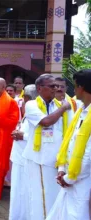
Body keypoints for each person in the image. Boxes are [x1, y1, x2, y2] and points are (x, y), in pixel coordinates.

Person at [22, 74, 72, 220]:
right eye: (51, 86)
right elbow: (46, 121)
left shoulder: (59, 105)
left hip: (57, 160)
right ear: (39, 88)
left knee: (54, 196)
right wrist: (63, 108)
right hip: (39, 159)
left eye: (57, 86)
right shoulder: (31, 105)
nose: (55, 88)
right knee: (40, 197)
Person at [46, 70, 91, 220]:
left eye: (75, 85)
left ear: (81, 88)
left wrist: (70, 178)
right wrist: (62, 168)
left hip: (83, 181)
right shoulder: (81, 111)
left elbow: (88, 155)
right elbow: (70, 141)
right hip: (70, 176)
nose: (74, 89)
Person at [8, 84, 38, 219]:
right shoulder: (28, 110)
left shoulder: (35, 110)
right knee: (18, 191)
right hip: (19, 157)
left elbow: (42, 135)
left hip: (26, 159)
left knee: (24, 191)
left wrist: (23, 136)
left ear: (26, 97)